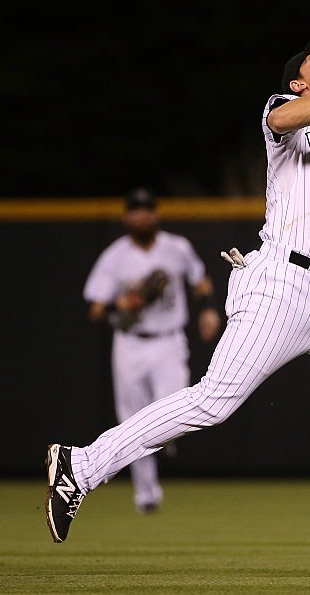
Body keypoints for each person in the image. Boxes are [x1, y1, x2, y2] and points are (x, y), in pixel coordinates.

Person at [46, 30, 310, 561]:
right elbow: (284, 121)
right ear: (299, 82)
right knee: (214, 401)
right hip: (279, 283)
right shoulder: (284, 113)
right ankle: (82, 465)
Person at [82, 187, 221, 513]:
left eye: (147, 209)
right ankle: (146, 495)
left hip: (169, 340)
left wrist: (208, 309)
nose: (142, 215)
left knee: (174, 404)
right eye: (135, 210)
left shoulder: (177, 248)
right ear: (127, 217)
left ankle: (166, 437)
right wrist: (122, 303)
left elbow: (200, 280)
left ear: (155, 214)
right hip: (130, 341)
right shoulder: (115, 257)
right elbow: (95, 310)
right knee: (131, 420)